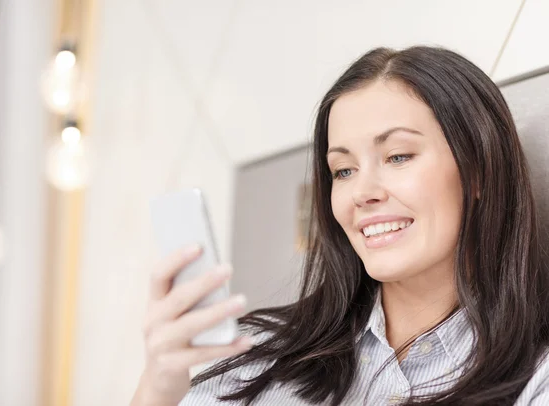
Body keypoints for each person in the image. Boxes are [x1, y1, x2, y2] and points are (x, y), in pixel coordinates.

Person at [131, 46, 549, 405]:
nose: (361, 192)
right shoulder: (258, 356)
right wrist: (158, 387)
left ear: (477, 171)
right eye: (343, 170)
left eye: (398, 156)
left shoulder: (537, 377)